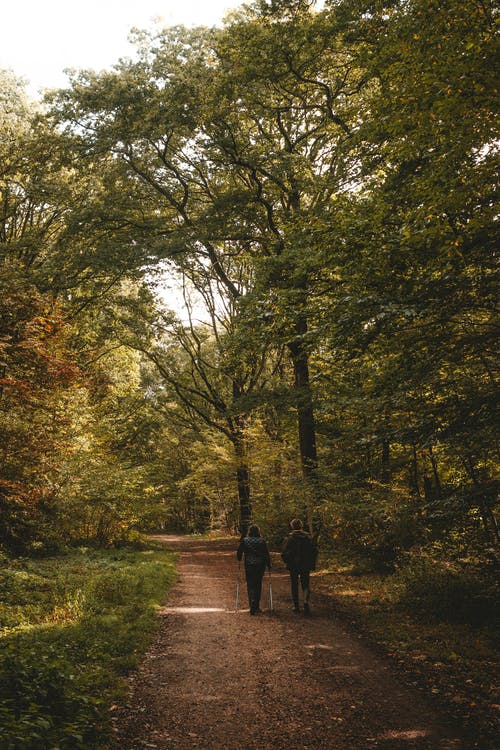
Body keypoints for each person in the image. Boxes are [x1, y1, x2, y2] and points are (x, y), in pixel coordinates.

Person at [281, 518, 317, 614]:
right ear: (301, 526)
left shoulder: (289, 538)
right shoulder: (308, 537)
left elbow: (284, 552)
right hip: (305, 564)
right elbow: (314, 551)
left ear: (292, 526)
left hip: (293, 565)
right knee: (305, 583)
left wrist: (287, 561)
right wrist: (311, 563)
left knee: (294, 584)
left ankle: (296, 606)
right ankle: (305, 601)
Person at [237, 524, 271, 614]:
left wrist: (239, 558)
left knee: (250, 584)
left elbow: (239, 551)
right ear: (258, 531)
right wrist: (269, 564)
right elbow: (266, 553)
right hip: (260, 565)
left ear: (249, 531)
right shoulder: (262, 541)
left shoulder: (245, 540)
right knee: (258, 584)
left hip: (249, 565)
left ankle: (252, 602)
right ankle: (256, 605)